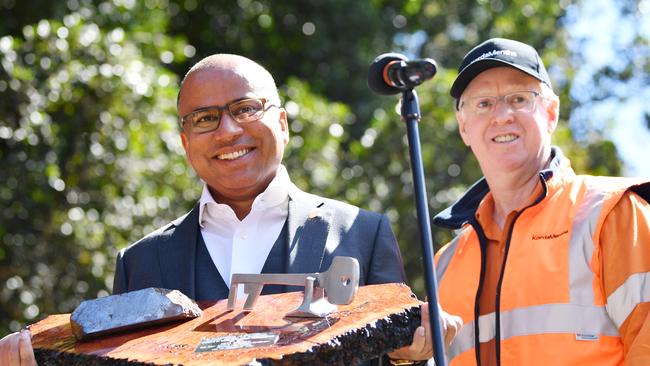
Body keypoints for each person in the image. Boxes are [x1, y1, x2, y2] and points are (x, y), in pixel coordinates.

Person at [1, 53, 449, 365]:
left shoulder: (361, 233)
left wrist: (410, 355)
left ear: (283, 122)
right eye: (204, 118)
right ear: (184, 142)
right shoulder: (139, 261)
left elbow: (397, 353)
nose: (228, 130)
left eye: (245, 108)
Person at [432, 37, 650, 365]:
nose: (502, 115)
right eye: (483, 104)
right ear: (464, 127)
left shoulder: (612, 213)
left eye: (519, 98)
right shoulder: (444, 265)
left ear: (550, 113)